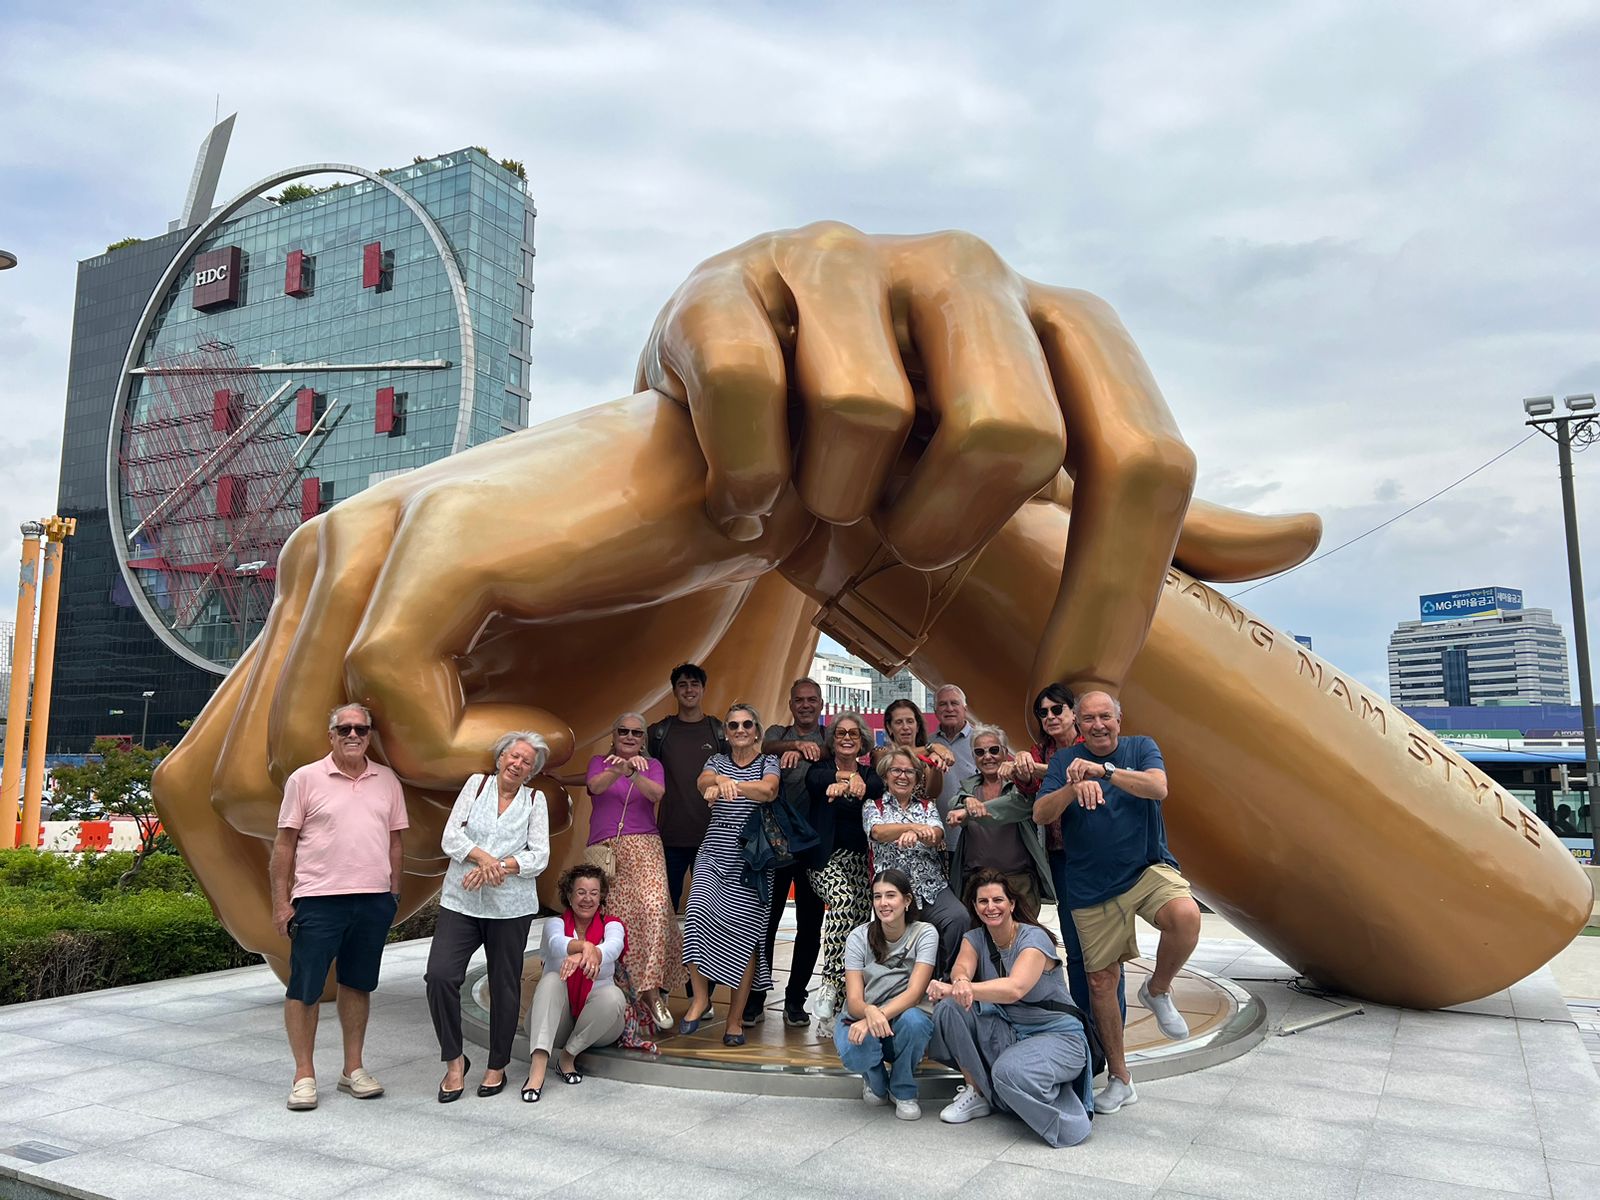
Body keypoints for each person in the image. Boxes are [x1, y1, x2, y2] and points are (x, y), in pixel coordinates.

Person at [1034, 690, 1202, 1114]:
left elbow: (1158, 787)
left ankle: (1158, 989)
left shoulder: (1141, 747)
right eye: (1088, 718)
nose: (1097, 725)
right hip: (1089, 885)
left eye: (1104, 716)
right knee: (1100, 983)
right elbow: (1041, 814)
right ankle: (1120, 1078)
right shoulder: (1063, 761)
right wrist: (1074, 786)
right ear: (1079, 724)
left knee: (1185, 914)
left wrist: (1106, 772)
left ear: (1118, 720)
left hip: (1145, 870)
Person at [270, 703, 408, 1112]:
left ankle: (352, 1069)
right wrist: (281, 902)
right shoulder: (305, 779)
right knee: (305, 988)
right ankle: (304, 1074)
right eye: (344, 728)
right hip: (318, 900)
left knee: (358, 984)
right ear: (330, 735)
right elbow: (284, 844)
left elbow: (396, 842)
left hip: (372, 900)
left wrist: (393, 894)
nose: (353, 735)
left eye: (361, 729)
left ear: (370, 735)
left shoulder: (387, 780)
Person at [426, 731, 551, 1102]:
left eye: (526, 761)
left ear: (531, 772)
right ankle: (453, 1059)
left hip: (510, 908)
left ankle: (497, 1065)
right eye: (513, 756)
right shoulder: (476, 785)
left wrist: (504, 866)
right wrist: (483, 859)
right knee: (440, 976)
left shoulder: (535, 800)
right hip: (461, 901)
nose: (517, 764)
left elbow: (539, 855)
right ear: (499, 758)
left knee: (504, 984)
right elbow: (450, 837)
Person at [927, 869, 1093, 1148]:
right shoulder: (975, 938)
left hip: (1059, 1038)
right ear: (975, 907)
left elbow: (1016, 988)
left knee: (1007, 1073)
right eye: (983, 902)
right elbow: (961, 968)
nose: (991, 907)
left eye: (998, 900)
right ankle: (978, 1092)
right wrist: (960, 982)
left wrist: (968, 988)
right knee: (949, 1009)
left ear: (1012, 903)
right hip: (1010, 1031)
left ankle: (1065, 1124)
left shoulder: (1034, 939)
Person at [1012, 685, 1127, 1030]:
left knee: (1107, 954)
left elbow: (1098, 775)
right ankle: (1086, 1029)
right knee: (1075, 951)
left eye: (1056, 709)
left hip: (1100, 859)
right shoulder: (1040, 751)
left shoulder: (1092, 745)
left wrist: (1039, 769)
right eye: (1042, 713)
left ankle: (1112, 1030)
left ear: (1072, 713)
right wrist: (1021, 770)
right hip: (1063, 860)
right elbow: (1034, 801)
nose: (1050, 717)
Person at [680, 703, 782, 1045]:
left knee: (747, 938)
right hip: (714, 849)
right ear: (726, 732)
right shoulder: (717, 762)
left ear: (757, 730)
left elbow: (768, 790)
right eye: (734, 725)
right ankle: (700, 997)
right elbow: (702, 782)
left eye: (747, 724)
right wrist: (720, 781)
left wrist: (730, 787)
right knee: (694, 915)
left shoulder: (769, 761)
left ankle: (734, 1021)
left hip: (751, 857)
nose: (740, 730)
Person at [585, 712, 685, 1031]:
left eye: (637, 733)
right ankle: (626, 999)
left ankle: (652, 990)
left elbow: (656, 794)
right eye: (623, 731)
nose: (630, 737)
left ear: (644, 739)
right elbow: (595, 786)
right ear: (613, 735)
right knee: (618, 919)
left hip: (645, 846)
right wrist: (618, 768)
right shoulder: (599, 761)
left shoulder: (652, 766)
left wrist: (632, 773)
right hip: (607, 851)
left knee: (656, 910)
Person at [750, 677, 829, 1028]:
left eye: (812, 699)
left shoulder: (828, 736)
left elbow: (844, 748)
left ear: (822, 703)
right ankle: (755, 997)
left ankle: (796, 999)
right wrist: (790, 745)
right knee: (764, 925)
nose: (806, 705)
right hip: (778, 844)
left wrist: (808, 749)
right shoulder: (779, 734)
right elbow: (762, 745)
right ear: (791, 704)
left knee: (810, 927)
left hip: (815, 847)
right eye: (800, 700)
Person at [803, 711, 883, 1035]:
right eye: (840, 733)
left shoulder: (872, 775)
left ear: (863, 741)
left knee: (861, 925)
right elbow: (817, 782)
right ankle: (829, 986)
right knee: (842, 901)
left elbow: (876, 785)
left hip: (859, 862)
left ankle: (841, 1007)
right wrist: (847, 780)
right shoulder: (820, 771)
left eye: (853, 734)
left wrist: (859, 780)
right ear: (832, 740)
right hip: (825, 860)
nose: (847, 738)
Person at [836, 869, 938, 1121]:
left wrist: (878, 1015)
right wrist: (870, 1013)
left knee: (915, 1021)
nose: (883, 903)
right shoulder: (858, 937)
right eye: (877, 896)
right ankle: (876, 1079)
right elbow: (855, 999)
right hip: (863, 1015)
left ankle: (903, 1087)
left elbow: (915, 994)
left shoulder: (925, 933)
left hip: (903, 1016)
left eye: (891, 895)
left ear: (907, 900)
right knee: (854, 1047)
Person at [522, 864, 628, 1101]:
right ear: (569, 896)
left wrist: (585, 953)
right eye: (581, 892)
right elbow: (558, 944)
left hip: (596, 1028)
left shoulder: (613, 925)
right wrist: (584, 946)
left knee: (613, 996)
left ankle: (568, 1056)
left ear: (601, 896)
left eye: (593, 892)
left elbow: (613, 948)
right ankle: (538, 1068)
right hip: (556, 1025)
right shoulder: (554, 925)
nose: (587, 899)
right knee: (551, 980)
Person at [864, 747, 968, 973]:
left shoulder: (926, 806)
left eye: (909, 772)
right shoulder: (873, 806)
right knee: (897, 945)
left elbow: (937, 835)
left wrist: (920, 834)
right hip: (894, 891)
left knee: (958, 918)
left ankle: (945, 978)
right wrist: (913, 827)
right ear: (885, 775)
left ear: (917, 778)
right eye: (896, 770)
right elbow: (879, 832)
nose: (902, 776)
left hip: (930, 887)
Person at [647, 663, 728, 909]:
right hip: (670, 836)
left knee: (712, 908)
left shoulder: (719, 732)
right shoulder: (659, 732)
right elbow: (626, 758)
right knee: (665, 909)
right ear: (674, 691)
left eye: (694, 684)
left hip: (712, 837)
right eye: (682, 684)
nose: (689, 690)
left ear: (704, 689)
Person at [947, 726, 1053, 915]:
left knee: (1022, 938)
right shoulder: (968, 790)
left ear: (1005, 752)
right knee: (979, 941)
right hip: (977, 882)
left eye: (994, 750)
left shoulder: (1019, 785)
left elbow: (1018, 806)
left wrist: (971, 811)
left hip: (1018, 882)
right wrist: (965, 802)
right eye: (980, 752)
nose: (987, 756)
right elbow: (954, 807)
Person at [882, 697, 945, 800]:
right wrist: (932, 748)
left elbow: (933, 794)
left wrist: (936, 767)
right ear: (889, 727)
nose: (905, 727)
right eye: (898, 722)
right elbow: (895, 756)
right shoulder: (881, 754)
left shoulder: (929, 758)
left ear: (918, 726)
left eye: (910, 721)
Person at [928, 685, 976, 822]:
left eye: (955, 703)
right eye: (943, 704)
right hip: (937, 832)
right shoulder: (928, 744)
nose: (949, 709)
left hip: (974, 829)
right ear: (935, 710)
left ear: (965, 708)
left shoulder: (980, 742)